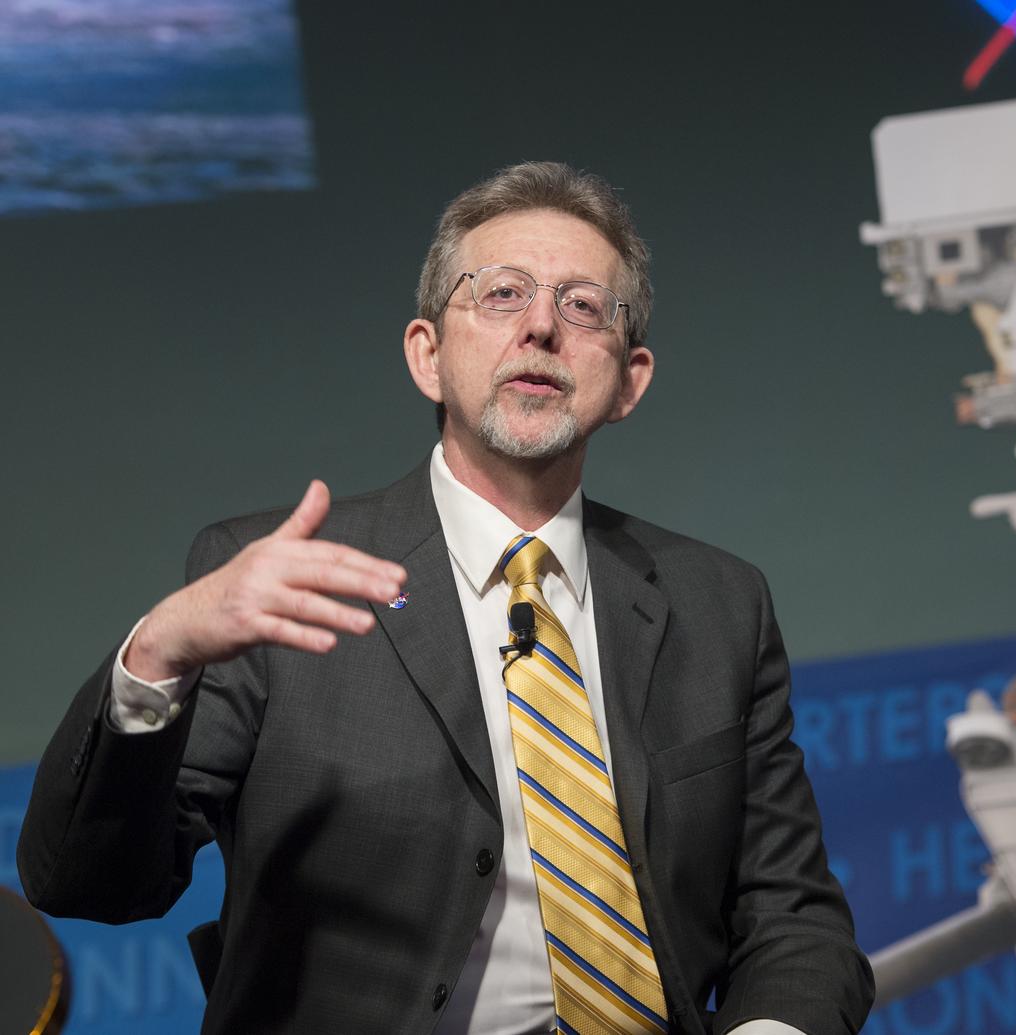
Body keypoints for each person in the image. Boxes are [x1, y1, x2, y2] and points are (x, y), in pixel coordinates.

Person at [19, 162, 874, 1034]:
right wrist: (161, 651)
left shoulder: (720, 602)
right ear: (427, 354)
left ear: (629, 380)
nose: (542, 325)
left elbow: (793, 919)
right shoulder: (277, 575)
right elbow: (92, 884)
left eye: (584, 306)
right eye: (502, 294)